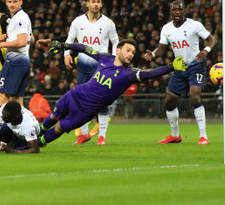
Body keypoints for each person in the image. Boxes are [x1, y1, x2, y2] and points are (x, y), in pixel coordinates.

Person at [39, 39, 187, 146]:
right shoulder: (104, 57)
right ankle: (36, 133)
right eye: (128, 50)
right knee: (53, 115)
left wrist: (170, 67)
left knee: (59, 128)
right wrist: (64, 45)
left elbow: (149, 73)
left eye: (133, 52)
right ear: (118, 50)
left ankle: (39, 143)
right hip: (75, 95)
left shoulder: (129, 73)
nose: (130, 54)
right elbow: (84, 48)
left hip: (85, 111)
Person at [145, 0, 217, 145]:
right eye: (174, 10)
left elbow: (211, 39)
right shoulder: (166, 29)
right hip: (179, 67)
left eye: (180, 10)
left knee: (194, 93)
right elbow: (161, 49)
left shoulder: (194, 25)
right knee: (169, 102)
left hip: (196, 65)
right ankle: (175, 135)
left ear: (184, 11)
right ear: (170, 12)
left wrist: (205, 50)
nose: (177, 12)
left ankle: (203, 136)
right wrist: (152, 54)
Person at [64, 0, 119, 145]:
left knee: (102, 101)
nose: (96, 4)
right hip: (82, 67)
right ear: (87, 4)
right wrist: (66, 54)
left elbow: (116, 42)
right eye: (93, 1)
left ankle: (102, 136)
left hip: (101, 67)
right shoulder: (77, 22)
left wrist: (114, 60)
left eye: (98, 1)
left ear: (101, 4)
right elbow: (69, 40)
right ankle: (84, 134)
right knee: (80, 100)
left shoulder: (108, 23)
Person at [0, 0, 32, 108]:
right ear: (6, 2)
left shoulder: (19, 18)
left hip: (15, 62)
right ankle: (28, 126)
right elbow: (32, 38)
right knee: (17, 101)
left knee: (0, 101)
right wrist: (8, 37)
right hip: (23, 62)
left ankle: (2, 126)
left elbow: (22, 42)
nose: (12, 4)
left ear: (21, 2)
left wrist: (2, 44)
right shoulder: (22, 17)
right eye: (9, 1)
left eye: (15, 1)